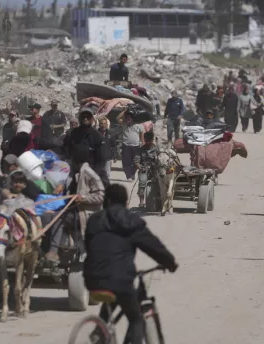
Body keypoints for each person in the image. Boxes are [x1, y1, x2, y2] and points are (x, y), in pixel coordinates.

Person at [84, 184, 178, 344]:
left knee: (111, 296)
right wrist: (170, 263)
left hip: (91, 278)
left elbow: (88, 246)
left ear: (107, 200)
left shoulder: (94, 220)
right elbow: (154, 247)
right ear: (126, 202)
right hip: (120, 280)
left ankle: (98, 333)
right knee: (136, 319)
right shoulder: (131, 222)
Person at [43, 145, 105, 264]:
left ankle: (54, 251)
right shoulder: (76, 172)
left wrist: (83, 198)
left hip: (84, 213)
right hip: (74, 209)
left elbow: (101, 195)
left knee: (57, 218)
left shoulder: (88, 173)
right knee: (46, 216)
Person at [63, 108, 109, 187]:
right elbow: (65, 150)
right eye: (83, 116)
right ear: (79, 118)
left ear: (92, 119)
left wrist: (93, 176)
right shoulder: (72, 133)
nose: (85, 119)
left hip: (93, 172)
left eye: (88, 117)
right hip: (76, 173)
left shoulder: (97, 136)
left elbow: (101, 160)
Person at [117, 109, 144, 181]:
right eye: (127, 117)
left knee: (136, 162)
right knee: (126, 162)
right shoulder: (124, 124)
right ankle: (128, 176)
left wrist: (143, 146)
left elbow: (142, 137)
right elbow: (117, 118)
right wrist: (125, 111)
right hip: (126, 146)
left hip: (136, 146)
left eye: (130, 117)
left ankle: (132, 174)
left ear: (133, 118)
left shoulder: (139, 125)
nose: (128, 118)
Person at [134, 131, 158, 207]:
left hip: (155, 169)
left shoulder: (157, 149)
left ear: (152, 139)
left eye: (149, 141)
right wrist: (140, 168)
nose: (147, 142)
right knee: (142, 182)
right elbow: (136, 161)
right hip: (144, 169)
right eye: (146, 140)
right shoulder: (141, 149)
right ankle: (141, 200)